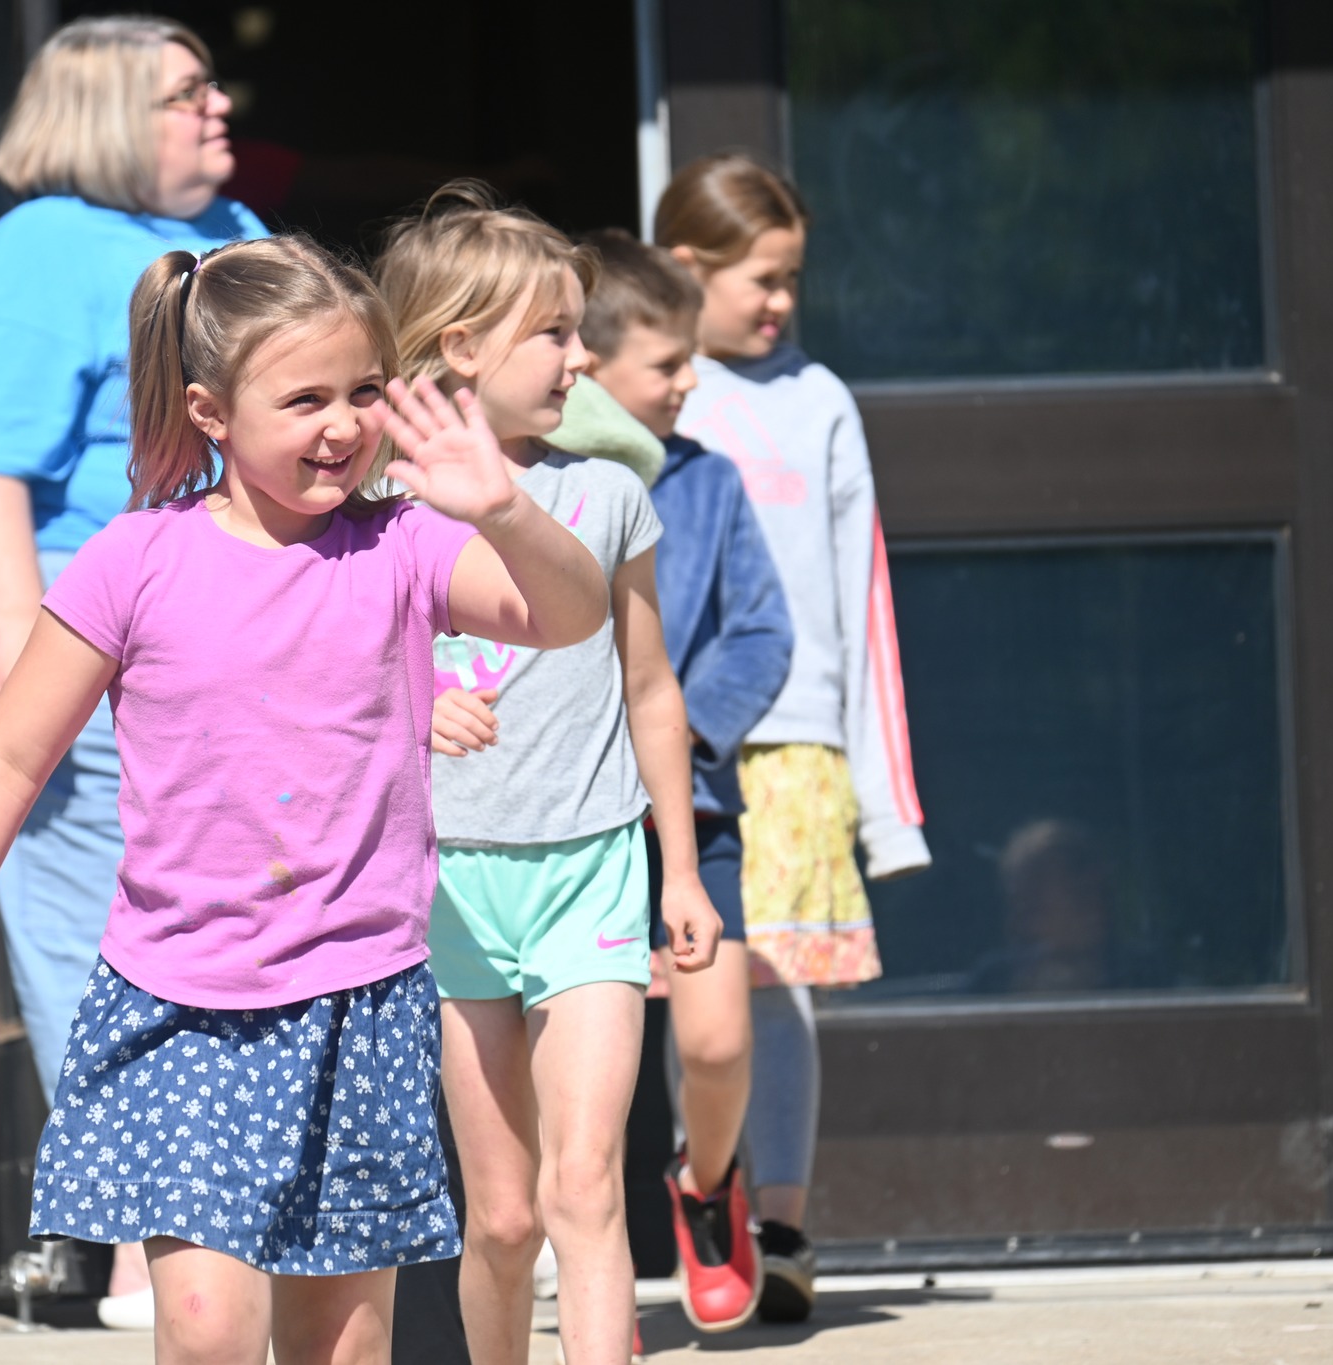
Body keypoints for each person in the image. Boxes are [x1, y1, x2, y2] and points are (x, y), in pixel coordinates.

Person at [0, 234, 608, 1365]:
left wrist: (502, 509)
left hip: (358, 1001)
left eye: (363, 391)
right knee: (210, 1331)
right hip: (182, 1001)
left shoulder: (404, 546)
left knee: (344, 1349)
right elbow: (8, 758)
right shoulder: (133, 561)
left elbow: (568, 614)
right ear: (211, 413)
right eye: (304, 398)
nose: (342, 424)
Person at [0, 15, 262, 1315]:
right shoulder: (31, 258)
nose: (219, 107)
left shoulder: (238, 239)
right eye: (185, 95)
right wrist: (21, 631)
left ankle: (228, 1217)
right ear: (111, 115)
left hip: (242, 636)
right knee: (100, 940)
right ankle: (145, 1237)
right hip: (84, 635)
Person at [383, 183, 723, 1365]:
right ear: (460, 347)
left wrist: (677, 872)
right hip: (449, 894)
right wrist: (416, 716)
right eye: (557, 334)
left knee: (586, 1193)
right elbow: (323, 691)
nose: (582, 359)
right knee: (506, 1213)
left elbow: (649, 692)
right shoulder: (375, 510)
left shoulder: (608, 495)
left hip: (590, 876)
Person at [657, 154, 932, 1323]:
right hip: (675, 751)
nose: (778, 304)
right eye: (757, 279)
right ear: (684, 270)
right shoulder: (650, 393)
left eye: (791, 280)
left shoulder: (818, 399)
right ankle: (695, 1192)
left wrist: (886, 801)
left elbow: (860, 595)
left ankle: (777, 1223)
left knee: (777, 993)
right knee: (691, 986)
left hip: (798, 738)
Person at [572, 229, 794, 1333]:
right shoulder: (527, 491)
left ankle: (707, 1187)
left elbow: (759, 632)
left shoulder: (704, 484)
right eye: (663, 365)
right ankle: (580, 1261)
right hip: (560, 827)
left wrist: (679, 734)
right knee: (576, 1079)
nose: (687, 381)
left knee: (710, 1039)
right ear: (584, 366)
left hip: (688, 815)